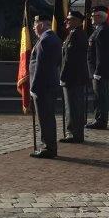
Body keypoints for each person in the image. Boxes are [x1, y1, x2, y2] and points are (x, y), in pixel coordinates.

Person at [29, 14, 62, 159]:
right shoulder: (54, 38)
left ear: (41, 25)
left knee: (45, 118)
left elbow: (40, 67)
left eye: (35, 25)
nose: (33, 28)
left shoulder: (44, 40)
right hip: (50, 84)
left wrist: (34, 87)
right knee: (48, 117)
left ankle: (48, 148)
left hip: (43, 86)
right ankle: (50, 146)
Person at [60, 8, 90, 143]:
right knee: (73, 106)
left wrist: (62, 76)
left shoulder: (76, 35)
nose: (66, 21)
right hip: (75, 77)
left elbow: (69, 59)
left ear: (77, 21)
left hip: (73, 77)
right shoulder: (75, 34)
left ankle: (74, 134)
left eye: (69, 19)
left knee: (73, 106)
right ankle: (75, 133)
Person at [87, 4, 109, 130]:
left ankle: (100, 121)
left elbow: (102, 53)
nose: (91, 18)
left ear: (99, 16)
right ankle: (98, 118)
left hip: (100, 71)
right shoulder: (99, 29)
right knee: (98, 96)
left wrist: (97, 71)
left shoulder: (103, 30)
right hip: (97, 70)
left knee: (100, 97)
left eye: (93, 16)